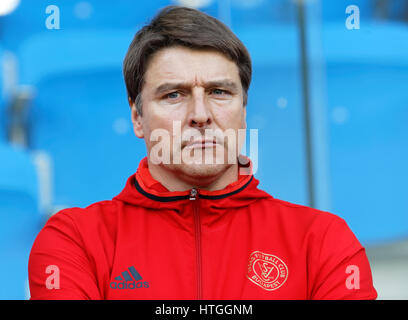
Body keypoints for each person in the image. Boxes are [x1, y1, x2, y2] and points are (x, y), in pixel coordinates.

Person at [28, 5, 377, 300]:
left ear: (244, 109)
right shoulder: (76, 241)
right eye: (174, 95)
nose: (200, 114)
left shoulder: (321, 241)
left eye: (219, 92)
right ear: (137, 118)